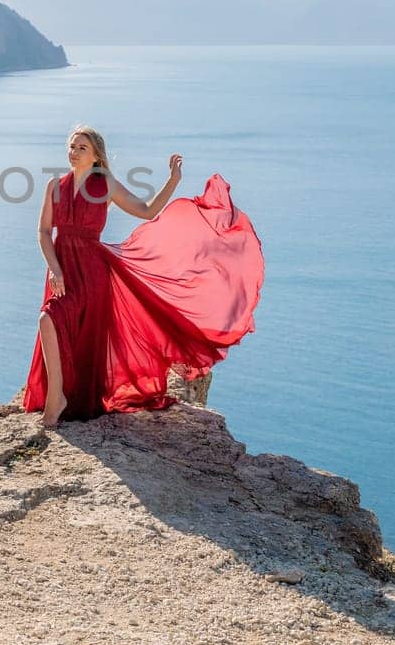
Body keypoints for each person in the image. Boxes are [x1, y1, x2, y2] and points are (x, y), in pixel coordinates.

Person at [25, 124, 265, 428]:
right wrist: (54, 268)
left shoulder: (106, 184)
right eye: (71, 146)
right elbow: (45, 232)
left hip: (93, 272)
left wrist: (172, 180)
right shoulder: (55, 186)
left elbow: (148, 211)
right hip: (62, 269)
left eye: (81, 147)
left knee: (59, 325)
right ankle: (58, 397)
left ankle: (58, 401)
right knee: (51, 321)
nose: (73, 152)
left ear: (96, 155)